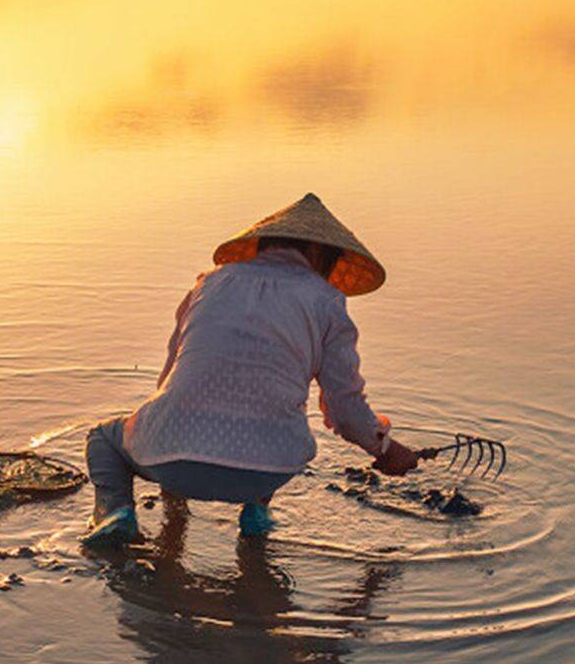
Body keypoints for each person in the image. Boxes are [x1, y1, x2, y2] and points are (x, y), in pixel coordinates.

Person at [82, 192, 418, 546]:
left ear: (261, 245)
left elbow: (168, 379)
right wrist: (385, 449)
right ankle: (256, 520)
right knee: (273, 415)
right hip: (267, 470)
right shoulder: (326, 301)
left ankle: (115, 512)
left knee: (103, 438)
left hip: (172, 456)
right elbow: (345, 410)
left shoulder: (209, 284)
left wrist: (170, 442)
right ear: (321, 254)